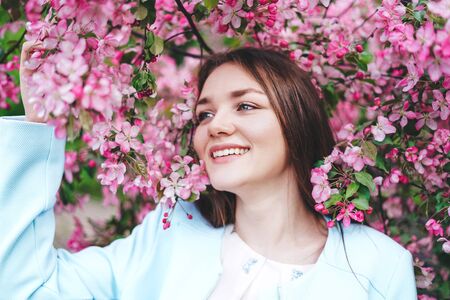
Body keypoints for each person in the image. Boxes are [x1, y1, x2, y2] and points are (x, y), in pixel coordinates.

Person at [0, 45, 416, 299]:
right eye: (204, 114)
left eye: (246, 105)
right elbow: (26, 288)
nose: (216, 125)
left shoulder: (378, 265)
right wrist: (38, 123)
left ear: (297, 120)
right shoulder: (171, 232)